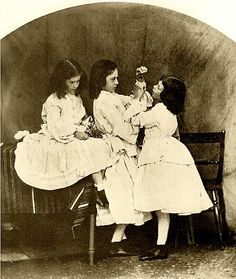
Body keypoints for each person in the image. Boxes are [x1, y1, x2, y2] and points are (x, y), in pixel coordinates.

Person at [124, 75, 213, 260]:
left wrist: (138, 98)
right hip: (170, 152)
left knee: (159, 204)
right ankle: (161, 245)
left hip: (158, 156)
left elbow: (134, 120)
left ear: (166, 94)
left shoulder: (158, 109)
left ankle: (160, 246)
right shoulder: (171, 111)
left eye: (158, 86)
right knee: (162, 205)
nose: (155, 87)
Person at [14, 59, 111, 191]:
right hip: (59, 137)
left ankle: (103, 185)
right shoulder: (53, 101)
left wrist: (86, 126)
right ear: (61, 80)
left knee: (101, 144)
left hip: (75, 133)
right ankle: (99, 188)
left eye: (78, 81)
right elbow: (56, 126)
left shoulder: (76, 97)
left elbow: (80, 117)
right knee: (84, 149)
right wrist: (74, 132)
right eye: (72, 82)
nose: (76, 85)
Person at [89, 59, 152, 255]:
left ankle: (117, 241)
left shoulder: (112, 96)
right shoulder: (102, 101)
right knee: (125, 196)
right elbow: (122, 128)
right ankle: (116, 242)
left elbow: (134, 101)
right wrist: (135, 119)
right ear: (102, 80)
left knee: (131, 195)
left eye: (117, 78)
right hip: (116, 151)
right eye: (112, 79)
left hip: (124, 149)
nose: (116, 82)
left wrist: (139, 88)